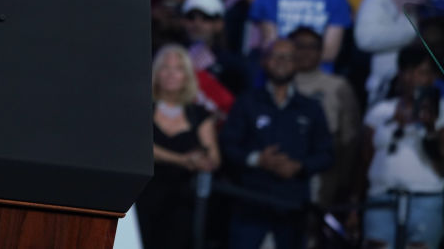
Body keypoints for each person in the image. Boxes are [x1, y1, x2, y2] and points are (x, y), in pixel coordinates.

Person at [219, 39, 333, 249]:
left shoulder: (311, 108)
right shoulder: (247, 102)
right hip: (250, 202)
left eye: (288, 57)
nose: (281, 61)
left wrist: (300, 167)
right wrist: (258, 160)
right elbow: (228, 145)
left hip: (293, 205)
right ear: (264, 61)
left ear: (296, 63)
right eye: (275, 55)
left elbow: (326, 154)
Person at [135, 44, 220, 249]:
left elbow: (214, 159)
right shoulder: (141, 106)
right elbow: (139, 149)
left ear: (187, 75)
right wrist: (183, 160)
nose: (171, 74)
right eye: (165, 67)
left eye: (178, 68)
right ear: (156, 72)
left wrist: (203, 159)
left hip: (181, 202)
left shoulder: (199, 114)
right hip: (141, 197)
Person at [360, 43, 444, 249]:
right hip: (381, 198)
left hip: (425, 199)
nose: (413, 79)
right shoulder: (380, 111)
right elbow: (364, 161)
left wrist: (431, 128)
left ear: (433, 77)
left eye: (422, 73)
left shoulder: (442, 112)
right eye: (408, 71)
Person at [289, 27, 360, 210]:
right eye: (299, 46)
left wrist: (344, 180)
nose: (305, 52)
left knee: (311, 227)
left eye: (312, 47)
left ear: (321, 51)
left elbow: (349, 137)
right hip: (279, 168)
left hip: (322, 170)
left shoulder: (338, 85)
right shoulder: (276, 82)